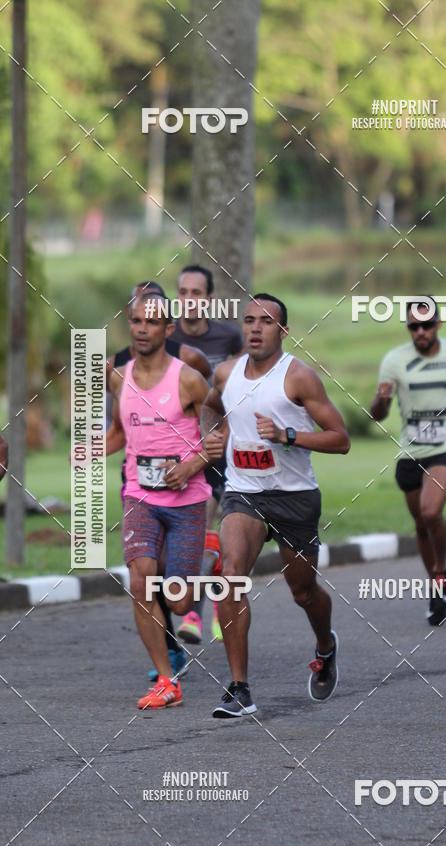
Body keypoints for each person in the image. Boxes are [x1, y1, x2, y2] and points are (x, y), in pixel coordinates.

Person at [201, 292, 350, 718]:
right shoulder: (226, 374)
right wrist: (213, 436)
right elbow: (212, 409)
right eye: (249, 320)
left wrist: (288, 436)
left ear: (283, 331)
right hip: (243, 492)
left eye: (266, 321)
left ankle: (325, 645)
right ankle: (239, 688)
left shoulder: (299, 377)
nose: (254, 328)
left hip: (295, 497)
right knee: (230, 576)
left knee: (303, 591)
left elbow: (340, 439)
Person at [107, 292, 211, 709]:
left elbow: (218, 437)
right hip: (139, 495)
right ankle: (166, 681)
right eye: (135, 322)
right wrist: (92, 448)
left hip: (187, 501)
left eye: (151, 323)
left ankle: (210, 559)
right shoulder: (120, 377)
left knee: (179, 600)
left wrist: (188, 466)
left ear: (169, 329)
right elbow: (121, 433)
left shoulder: (188, 379)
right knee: (140, 581)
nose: (142, 329)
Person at [369, 299, 446, 626]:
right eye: (414, 327)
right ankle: (437, 585)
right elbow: (377, 415)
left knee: (431, 510)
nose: (421, 332)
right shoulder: (395, 360)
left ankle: (441, 568)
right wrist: (381, 398)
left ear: (438, 324)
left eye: (427, 325)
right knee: (421, 523)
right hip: (410, 451)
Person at [171, 265, 242, 647]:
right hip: (180, 446)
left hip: (221, 444)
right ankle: (201, 608)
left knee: (216, 530)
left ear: (209, 299)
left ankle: (201, 611)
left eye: (196, 293)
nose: (189, 300)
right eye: (183, 292)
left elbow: (249, 381)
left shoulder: (228, 336)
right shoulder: (170, 338)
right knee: (198, 532)